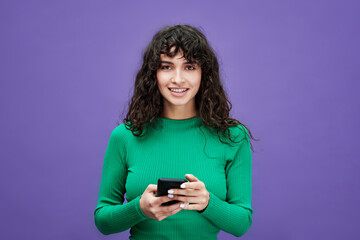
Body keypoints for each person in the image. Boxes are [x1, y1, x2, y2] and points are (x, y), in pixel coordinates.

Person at [94, 24, 258, 239]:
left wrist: (208, 202)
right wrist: (139, 209)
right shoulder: (125, 136)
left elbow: (241, 224)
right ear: (153, 74)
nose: (178, 79)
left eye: (189, 67)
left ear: (204, 74)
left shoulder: (233, 137)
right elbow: (103, 221)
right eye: (166, 66)